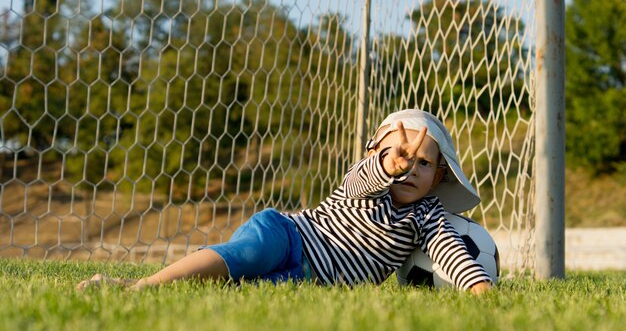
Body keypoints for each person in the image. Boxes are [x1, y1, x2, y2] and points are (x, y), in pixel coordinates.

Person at [77, 109, 492, 295]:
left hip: (310, 279)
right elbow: (356, 184)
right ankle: (139, 286)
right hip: (289, 235)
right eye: (400, 155)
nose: (410, 168)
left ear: (439, 176)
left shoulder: (428, 215)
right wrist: (387, 165)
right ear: (375, 153)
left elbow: (450, 250)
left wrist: (478, 287)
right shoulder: (368, 179)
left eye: (422, 163)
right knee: (247, 254)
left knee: (240, 289)